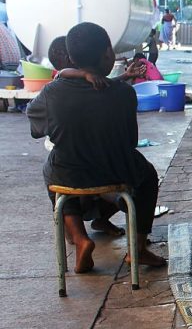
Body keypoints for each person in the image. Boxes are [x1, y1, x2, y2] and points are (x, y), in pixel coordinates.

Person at [27, 22, 166, 273]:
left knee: (52, 169)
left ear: (71, 59)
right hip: (116, 173)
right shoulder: (124, 93)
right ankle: (138, 249)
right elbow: (130, 141)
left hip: (70, 174)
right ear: (107, 55)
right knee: (147, 175)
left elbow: (36, 127)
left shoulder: (52, 93)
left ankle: (79, 237)